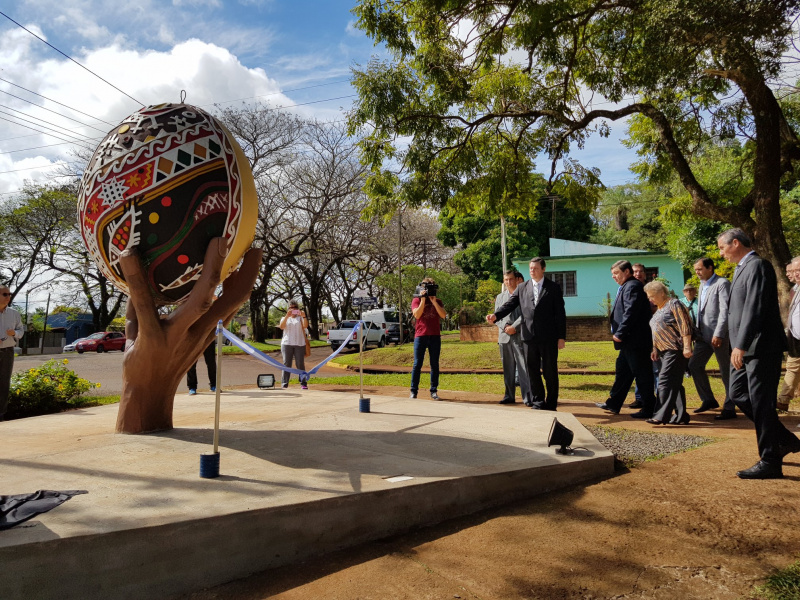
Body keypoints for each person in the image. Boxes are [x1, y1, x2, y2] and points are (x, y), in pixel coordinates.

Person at [717, 228, 800, 479]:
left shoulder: (758, 265)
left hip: (760, 347)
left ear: (735, 243)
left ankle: (770, 460)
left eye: (722, 248)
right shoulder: (742, 267)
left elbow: (755, 307)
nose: (721, 254)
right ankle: (784, 440)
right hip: (745, 348)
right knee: (738, 393)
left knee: (762, 403)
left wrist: (740, 344)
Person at [487, 257, 566, 411]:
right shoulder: (522, 287)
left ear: (543, 269)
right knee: (532, 370)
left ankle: (551, 403)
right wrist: (496, 315)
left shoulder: (553, 287)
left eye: (535, 268)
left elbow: (560, 314)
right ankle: (538, 401)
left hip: (548, 337)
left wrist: (561, 337)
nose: (532, 271)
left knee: (550, 372)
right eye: (530, 268)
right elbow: (510, 304)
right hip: (529, 337)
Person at [596, 260, 656, 418]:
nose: (614, 277)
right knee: (623, 372)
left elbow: (631, 311)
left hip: (635, 341)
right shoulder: (627, 286)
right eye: (612, 274)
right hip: (629, 342)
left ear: (627, 272)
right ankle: (614, 403)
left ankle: (649, 408)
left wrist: (620, 333)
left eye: (616, 273)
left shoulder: (633, 286)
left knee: (642, 374)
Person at [688, 257, 735, 418]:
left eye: (700, 269)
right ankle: (708, 399)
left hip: (718, 336)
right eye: (696, 270)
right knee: (694, 365)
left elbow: (725, 310)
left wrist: (719, 333)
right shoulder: (702, 285)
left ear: (710, 268)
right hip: (702, 336)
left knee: (725, 370)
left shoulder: (722, 284)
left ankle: (730, 406)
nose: (697, 273)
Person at [642, 281, 693, 425]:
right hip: (663, 351)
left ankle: (660, 415)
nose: (650, 299)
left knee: (664, 380)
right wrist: (655, 348)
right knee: (675, 382)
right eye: (648, 296)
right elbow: (656, 331)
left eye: (652, 296)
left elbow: (685, 325)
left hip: (676, 349)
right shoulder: (659, 309)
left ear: (662, 293)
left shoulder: (674, 304)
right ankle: (681, 415)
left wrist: (687, 346)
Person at [494, 270, 533, 405]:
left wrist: (514, 327)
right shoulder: (500, 297)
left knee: (523, 368)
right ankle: (509, 396)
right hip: (504, 337)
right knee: (508, 368)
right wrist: (505, 327)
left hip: (519, 335)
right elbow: (496, 316)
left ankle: (527, 397)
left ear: (517, 280)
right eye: (506, 280)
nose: (508, 282)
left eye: (511, 279)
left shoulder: (524, 295)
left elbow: (526, 315)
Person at [410, 277, 447, 399]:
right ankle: (413, 391)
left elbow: (443, 315)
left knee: (434, 364)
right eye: (426, 286)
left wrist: (434, 301)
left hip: (435, 336)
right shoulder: (416, 300)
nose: (428, 289)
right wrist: (422, 300)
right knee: (417, 364)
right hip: (421, 335)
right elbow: (417, 314)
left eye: (431, 286)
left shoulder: (438, 301)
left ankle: (433, 390)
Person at [778, 256, 800, 411]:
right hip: (795, 335)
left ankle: (783, 399)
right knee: (792, 366)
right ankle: (783, 400)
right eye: (793, 270)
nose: (794, 274)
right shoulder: (795, 289)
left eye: (798, 270)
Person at [0, 285, 23, 421]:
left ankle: (1, 414)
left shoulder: (14, 314)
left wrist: (14, 333)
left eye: (9, 294)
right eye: (4, 294)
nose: (8, 297)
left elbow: (21, 331)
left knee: (4, 383)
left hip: (8, 351)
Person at [279, 300, 309, 390]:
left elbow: (305, 326)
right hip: (287, 343)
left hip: (299, 343)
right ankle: (284, 383)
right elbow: (281, 326)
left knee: (300, 363)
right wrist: (287, 316)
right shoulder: (285, 318)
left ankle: (303, 383)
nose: (293, 310)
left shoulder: (300, 318)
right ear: (288, 309)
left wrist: (304, 316)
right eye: (291, 308)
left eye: (295, 308)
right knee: (286, 364)